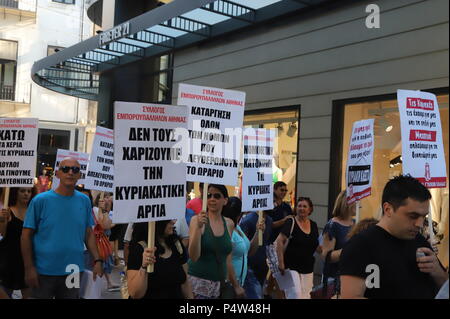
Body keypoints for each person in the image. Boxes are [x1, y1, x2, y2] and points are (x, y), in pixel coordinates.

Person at [340, 175, 448, 299]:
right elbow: (351, 296)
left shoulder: (420, 241)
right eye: (413, 216)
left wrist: (438, 272)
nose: (419, 224)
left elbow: (445, 288)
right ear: (388, 209)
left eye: (424, 217)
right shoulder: (361, 245)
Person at [21, 157, 104, 299]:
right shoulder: (40, 201)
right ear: (58, 174)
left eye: (75, 169)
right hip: (43, 271)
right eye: (65, 169)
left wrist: (97, 260)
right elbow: (26, 236)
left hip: (73, 270)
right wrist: (29, 268)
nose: (70, 172)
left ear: (79, 175)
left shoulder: (84, 201)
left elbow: (88, 233)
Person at [188, 184, 244, 299]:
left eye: (217, 196)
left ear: (225, 201)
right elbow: (193, 256)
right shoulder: (196, 220)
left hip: (220, 287)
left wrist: (235, 285)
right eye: (209, 195)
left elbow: (228, 257)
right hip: (198, 289)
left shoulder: (229, 223)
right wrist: (198, 228)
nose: (212, 199)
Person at [127, 220, 193, 299]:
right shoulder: (139, 249)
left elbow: (185, 282)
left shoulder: (176, 244)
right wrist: (144, 267)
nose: (174, 221)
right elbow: (135, 294)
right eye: (168, 220)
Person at [276, 197, 320, 299]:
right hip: (291, 266)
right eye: (299, 206)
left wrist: (327, 251)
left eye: (305, 206)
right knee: (295, 295)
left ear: (310, 210)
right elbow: (279, 241)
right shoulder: (291, 222)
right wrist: (281, 262)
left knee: (305, 296)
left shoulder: (313, 225)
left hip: (307, 267)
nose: (301, 208)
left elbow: (316, 244)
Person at [222, 197, 266, 292]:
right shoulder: (225, 228)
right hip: (229, 284)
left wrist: (258, 231)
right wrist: (235, 285)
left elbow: (249, 252)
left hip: (240, 282)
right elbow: (226, 259)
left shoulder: (237, 227)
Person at [0, 187, 36, 298]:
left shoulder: (34, 213)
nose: (26, 194)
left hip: (27, 260)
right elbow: (2, 235)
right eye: (22, 191)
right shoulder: (7, 211)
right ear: (16, 192)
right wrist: (2, 220)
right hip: (8, 260)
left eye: (29, 191)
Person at [320, 189, 356, 297]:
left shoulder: (355, 223)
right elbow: (326, 256)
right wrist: (349, 250)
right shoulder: (333, 225)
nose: (359, 206)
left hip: (351, 276)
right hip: (335, 278)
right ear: (347, 204)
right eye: (356, 202)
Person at [239, 211, 273, 299]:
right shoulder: (248, 220)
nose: (273, 204)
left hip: (262, 266)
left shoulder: (269, 220)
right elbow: (242, 245)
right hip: (249, 268)